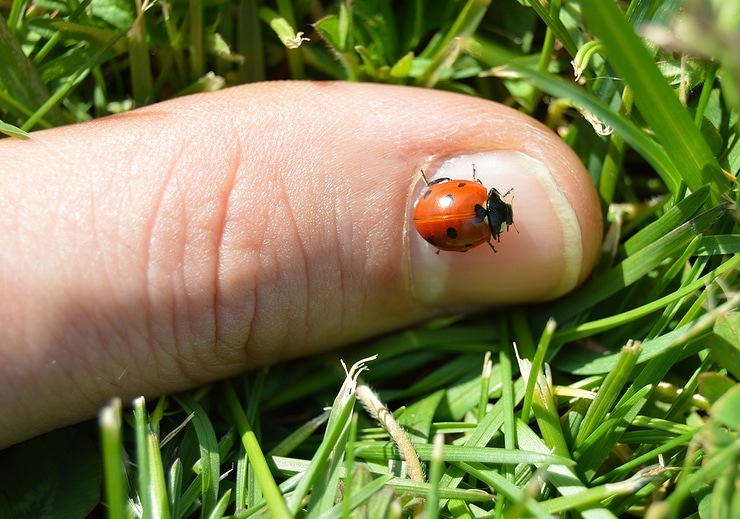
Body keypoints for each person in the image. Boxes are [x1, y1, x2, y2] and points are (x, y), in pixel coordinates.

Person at [0, 81, 602, 448]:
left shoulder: (472, 206)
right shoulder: (479, 217)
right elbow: (456, 217)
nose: (497, 209)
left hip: (432, 208)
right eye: (497, 207)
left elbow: (454, 207)